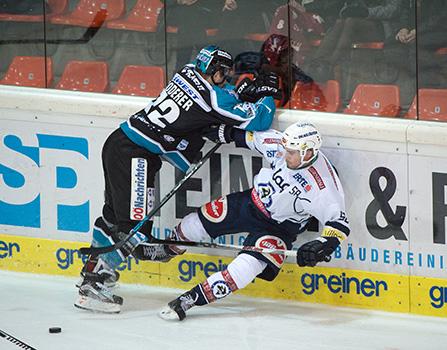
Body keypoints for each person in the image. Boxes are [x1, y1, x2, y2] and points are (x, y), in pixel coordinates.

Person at [74, 45, 281, 314]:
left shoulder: (184, 73)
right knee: (136, 230)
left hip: (118, 142)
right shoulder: (212, 98)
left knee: (113, 216)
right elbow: (258, 120)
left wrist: (240, 94)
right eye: (224, 74)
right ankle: (93, 285)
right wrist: (267, 96)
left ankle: (92, 270)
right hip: (136, 156)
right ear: (215, 71)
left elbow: (213, 104)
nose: (226, 79)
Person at [147, 121, 350, 321]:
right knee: (193, 224)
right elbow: (251, 138)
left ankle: (190, 299)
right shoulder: (283, 145)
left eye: (291, 152)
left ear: (308, 153)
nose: (284, 153)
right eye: (286, 149)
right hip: (249, 203)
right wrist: (224, 131)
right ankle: (167, 250)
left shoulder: (323, 185)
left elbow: (339, 224)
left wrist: (323, 245)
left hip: (279, 229)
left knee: (243, 271)